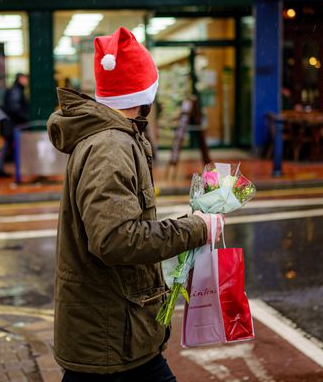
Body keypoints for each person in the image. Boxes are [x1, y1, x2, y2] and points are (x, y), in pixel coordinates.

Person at [47, 27, 224, 381]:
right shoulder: (111, 147)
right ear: (146, 92)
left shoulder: (113, 139)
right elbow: (115, 239)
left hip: (114, 332)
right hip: (111, 337)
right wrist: (195, 228)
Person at [0, 73, 30, 177]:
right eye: (25, 78)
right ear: (20, 79)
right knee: (11, 146)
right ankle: (3, 168)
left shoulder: (15, 89)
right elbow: (15, 108)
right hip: (13, 124)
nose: (26, 81)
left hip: (9, 123)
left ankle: (0, 167)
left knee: (8, 146)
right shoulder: (17, 90)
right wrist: (26, 118)